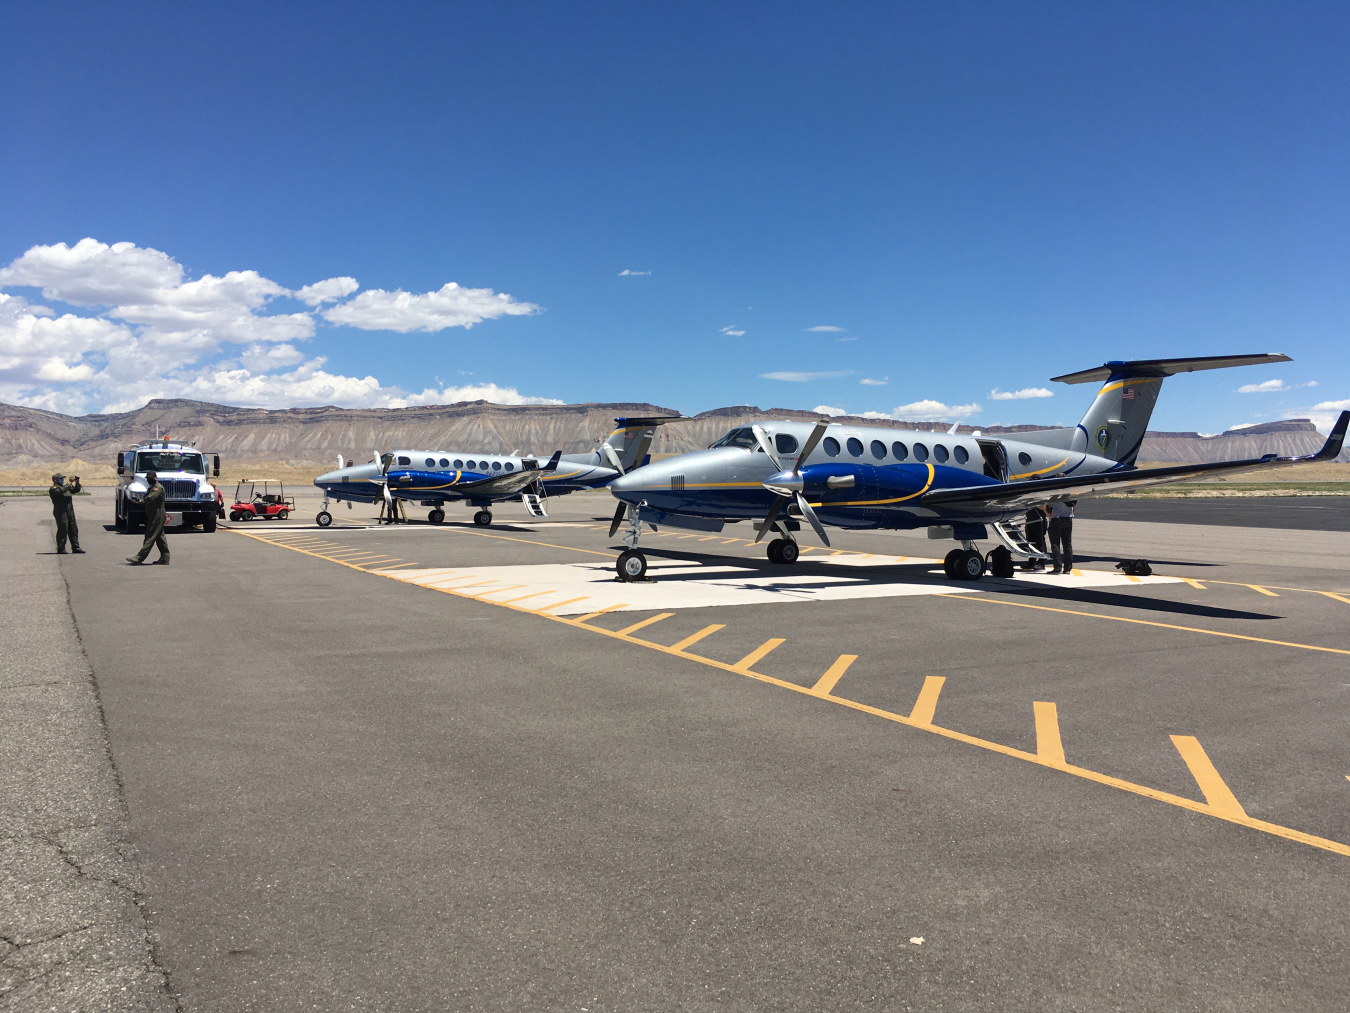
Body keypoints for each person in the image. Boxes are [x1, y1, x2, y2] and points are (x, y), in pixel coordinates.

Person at [126, 471, 169, 566]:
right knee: (159, 537)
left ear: (155, 478)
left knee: (150, 536)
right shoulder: (152, 488)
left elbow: (150, 499)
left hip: (158, 514)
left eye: (150, 478)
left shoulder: (158, 488)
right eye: (148, 478)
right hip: (153, 514)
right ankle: (165, 557)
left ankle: (139, 557)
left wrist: (141, 501)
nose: (149, 480)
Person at [48, 473, 84, 554]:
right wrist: (69, 483)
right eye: (60, 478)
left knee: (73, 528)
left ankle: (76, 547)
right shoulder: (54, 488)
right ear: (55, 479)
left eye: (62, 478)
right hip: (61, 512)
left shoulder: (66, 487)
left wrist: (77, 483)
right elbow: (61, 491)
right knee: (63, 529)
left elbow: (75, 490)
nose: (62, 480)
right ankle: (61, 548)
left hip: (70, 511)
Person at [1048, 499, 1076, 575]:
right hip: (1068, 518)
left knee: (1055, 544)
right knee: (1067, 544)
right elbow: (1074, 506)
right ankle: (1067, 568)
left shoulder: (1058, 494)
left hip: (1057, 518)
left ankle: (1057, 567)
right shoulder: (1072, 496)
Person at [1021, 504, 1048, 571]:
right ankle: (1031, 561)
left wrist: (1032, 503)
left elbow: (1044, 507)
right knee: (1030, 541)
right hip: (1030, 520)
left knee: (1040, 541)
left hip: (1039, 520)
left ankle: (1042, 562)